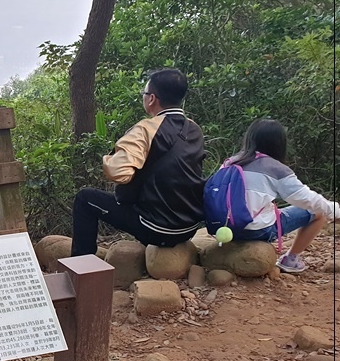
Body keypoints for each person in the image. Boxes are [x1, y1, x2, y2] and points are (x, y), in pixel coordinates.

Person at [71, 68, 205, 256]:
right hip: (188, 227)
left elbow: (118, 172)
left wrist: (114, 157)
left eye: (144, 93)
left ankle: (82, 268)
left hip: (155, 228)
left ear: (151, 99)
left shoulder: (146, 129)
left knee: (85, 198)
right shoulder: (194, 128)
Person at [221, 118, 339, 273]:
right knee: (318, 212)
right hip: (254, 231)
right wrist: (335, 210)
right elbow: (308, 200)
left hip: (223, 227)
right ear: (279, 143)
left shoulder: (231, 162)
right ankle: (290, 259)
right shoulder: (276, 169)